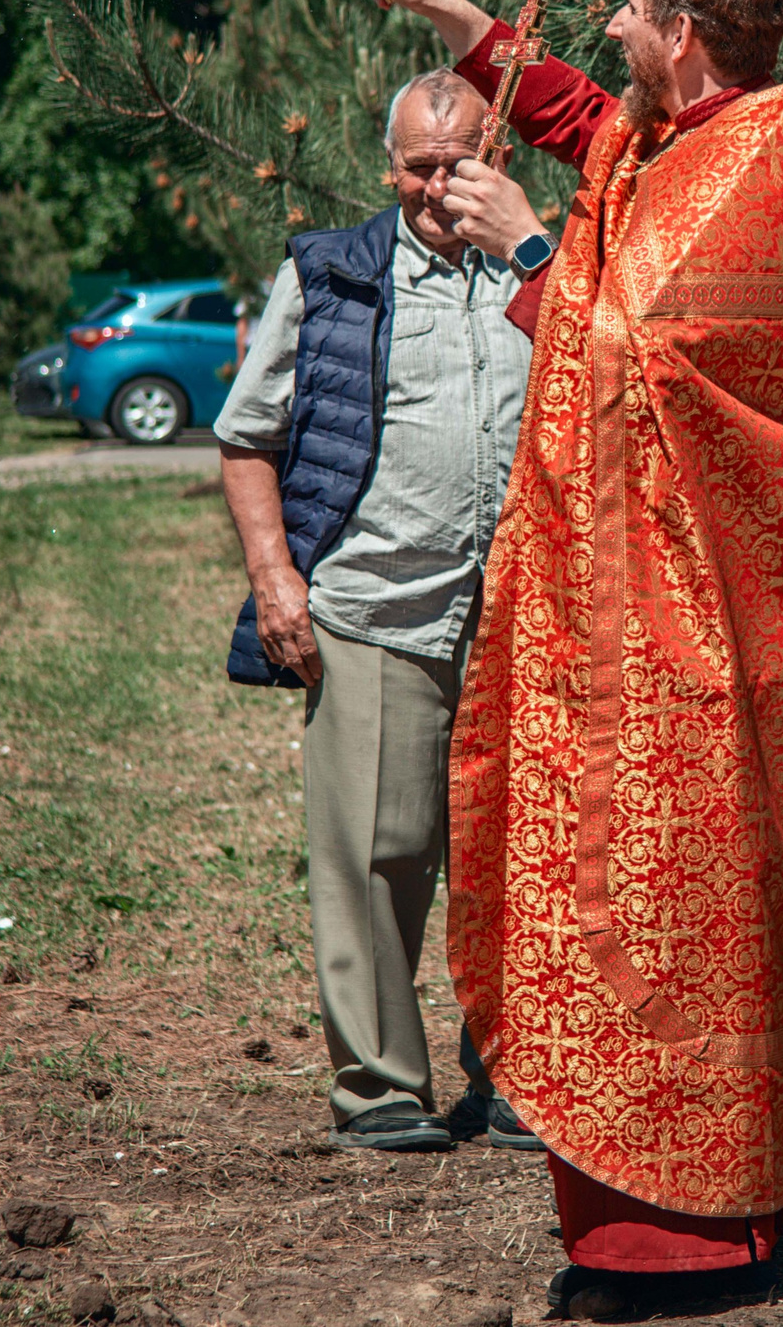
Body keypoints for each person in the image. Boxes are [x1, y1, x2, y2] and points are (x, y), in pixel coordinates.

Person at [345, 0, 783, 1313]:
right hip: (620, 630)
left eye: (631, 5)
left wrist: (532, 249)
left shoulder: (761, 170)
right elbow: (582, 120)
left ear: (686, 33)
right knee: (620, 916)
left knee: (663, 927)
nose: (608, 23)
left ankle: (684, 1242)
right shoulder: (673, 138)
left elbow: (646, 367)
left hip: (701, 647)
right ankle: (701, 1208)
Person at [215, 68, 541, 1155]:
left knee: (521, 863)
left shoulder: (549, 270)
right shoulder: (329, 273)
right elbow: (245, 437)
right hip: (372, 606)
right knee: (374, 855)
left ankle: (515, 1084)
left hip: (520, 621)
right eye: (419, 164)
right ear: (388, 164)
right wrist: (276, 582)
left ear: (504, 159)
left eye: (462, 162)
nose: (440, 185)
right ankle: (381, 1088)